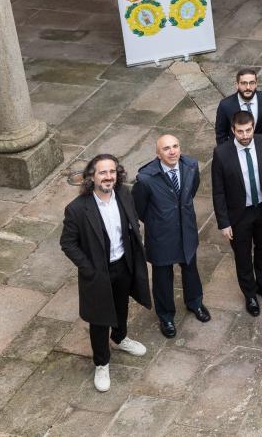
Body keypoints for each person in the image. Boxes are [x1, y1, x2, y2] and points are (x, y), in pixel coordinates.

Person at [60, 154, 151, 393]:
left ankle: (120, 338)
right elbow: (68, 243)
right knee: (99, 319)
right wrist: (88, 268)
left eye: (112, 171)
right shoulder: (77, 209)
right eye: (102, 172)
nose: (108, 176)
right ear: (92, 177)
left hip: (123, 264)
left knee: (121, 306)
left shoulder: (123, 194)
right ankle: (101, 363)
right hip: (98, 272)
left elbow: (133, 221)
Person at [212, 111, 262, 317]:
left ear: (254, 127)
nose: (245, 135)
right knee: (243, 255)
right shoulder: (221, 153)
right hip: (238, 215)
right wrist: (223, 222)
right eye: (240, 131)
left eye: (248, 130)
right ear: (233, 130)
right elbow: (218, 191)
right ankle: (249, 294)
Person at [132, 134, 210, 338]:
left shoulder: (190, 166)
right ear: (158, 154)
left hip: (186, 230)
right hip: (161, 235)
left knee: (190, 269)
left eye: (175, 146)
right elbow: (139, 208)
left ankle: (195, 302)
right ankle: (166, 316)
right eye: (166, 148)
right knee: (162, 278)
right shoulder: (146, 178)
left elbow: (190, 192)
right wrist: (160, 220)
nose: (172, 151)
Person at [214, 68, 262, 242]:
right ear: (237, 84)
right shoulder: (226, 105)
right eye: (244, 83)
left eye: (252, 83)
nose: (248, 87)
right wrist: (228, 157)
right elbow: (221, 134)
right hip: (238, 156)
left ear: (256, 83)